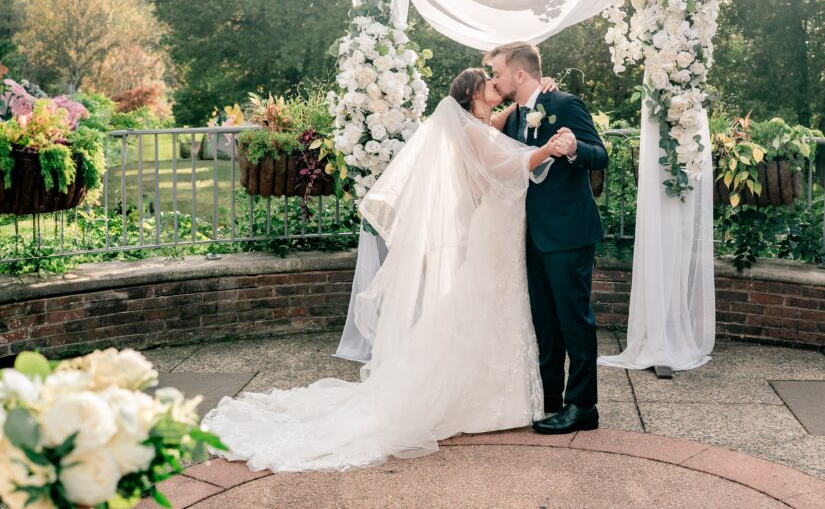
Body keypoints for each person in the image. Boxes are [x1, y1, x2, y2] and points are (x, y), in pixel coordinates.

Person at [203, 69, 568, 472]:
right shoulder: (471, 132)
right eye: (489, 83)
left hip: (498, 232)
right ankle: (483, 400)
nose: (495, 87)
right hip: (494, 232)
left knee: (487, 306)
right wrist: (548, 148)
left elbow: (507, 118)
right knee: (484, 306)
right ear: (473, 93)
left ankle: (500, 395)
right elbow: (503, 168)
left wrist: (535, 90)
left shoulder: (478, 125)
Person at [485, 42, 609, 434]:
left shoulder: (566, 105)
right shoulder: (518, 113)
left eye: (498, 73)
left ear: (519, 74)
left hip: (568, 232)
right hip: (532, 234)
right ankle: (550, 398)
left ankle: (582, 406)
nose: (495, 80)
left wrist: (574, 150)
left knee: (574, 321)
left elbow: (600, 154)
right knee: (544, 322)